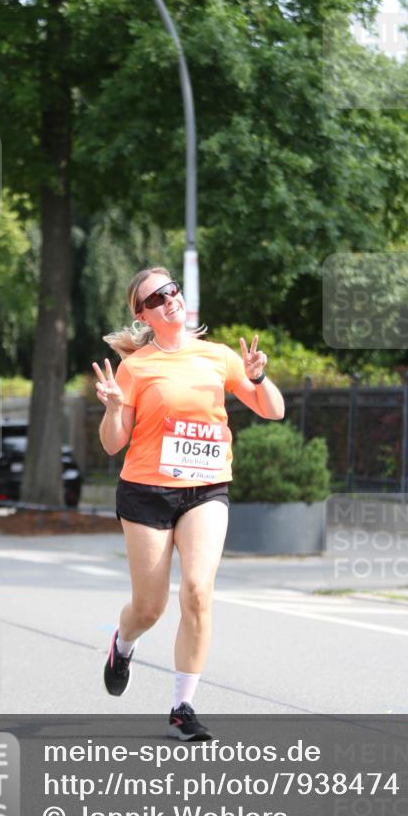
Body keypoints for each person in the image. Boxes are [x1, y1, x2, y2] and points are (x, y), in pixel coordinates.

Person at [93, 266, 284, 740]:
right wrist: (114, 408)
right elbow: (113, 444)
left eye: (171, 290)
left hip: (206, 488)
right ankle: (124, 643)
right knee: (149, 607)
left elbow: (273, 410)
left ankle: (183, 706)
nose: (168, 299)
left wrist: (258, 378)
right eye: (154, 298)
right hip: (146, 492)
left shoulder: (218, 356)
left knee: (198, 591)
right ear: (142, 315)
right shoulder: (136, 368)